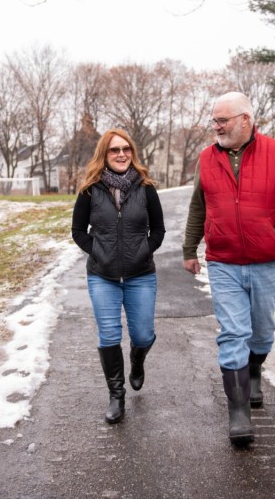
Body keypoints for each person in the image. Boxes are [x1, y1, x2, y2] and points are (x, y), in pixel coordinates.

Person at [182, 91, 275, 445]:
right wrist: (189, 248)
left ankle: (254, 370)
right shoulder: (207, 158)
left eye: (223, 120)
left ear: (245, 120)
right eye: (214, 120)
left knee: (262, 330)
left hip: (266, 261)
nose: (216, 126)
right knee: (232, 333)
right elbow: (198, 206)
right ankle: (238, 413)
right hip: (223, 260)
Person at [71, 128, 166, 424]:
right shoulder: (90, 190)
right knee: (109, 335)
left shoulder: (146, 188)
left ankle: (137, 360)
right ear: (105, 155)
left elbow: (159, 230)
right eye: (115, 150)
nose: (122, 154)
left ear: (132, 153)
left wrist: (143, 251)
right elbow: (78, 231)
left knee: (142, 334)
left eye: (126, 149)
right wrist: (98, 252)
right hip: (103, 276)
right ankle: (116, 396)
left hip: (140, 275)